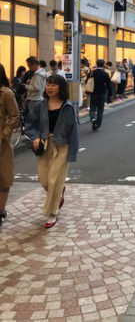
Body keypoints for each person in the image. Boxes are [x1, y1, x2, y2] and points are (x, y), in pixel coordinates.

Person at [25, 74, 78, 228]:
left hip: (62, 147)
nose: (50, 87)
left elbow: (73, 132)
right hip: (44, 145)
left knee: (54, 180)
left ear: (61, 87)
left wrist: (72, 153)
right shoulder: (40, 106)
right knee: (44, 179)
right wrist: (35, 137)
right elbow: (30, 124)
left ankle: (52, 213)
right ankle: (59, 192)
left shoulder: (68, 107)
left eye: (54, 85)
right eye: (48, 84)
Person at [0, 64, 19, 226]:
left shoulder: (6, 93)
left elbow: (14, 116)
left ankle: (1, 210)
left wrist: (4, 135)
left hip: (2, 144)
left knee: (4, 177)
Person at [88, 59, 113, 131]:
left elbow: (87, 81)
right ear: (103, 65)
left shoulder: (93, 73)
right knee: (100, 110)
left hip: (93, 93)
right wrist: (110, 94)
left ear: (96, 64)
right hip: (102, 93)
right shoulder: (105, 74)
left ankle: (93, 119)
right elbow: (109, 84)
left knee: (92, 108)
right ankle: (98, 125)